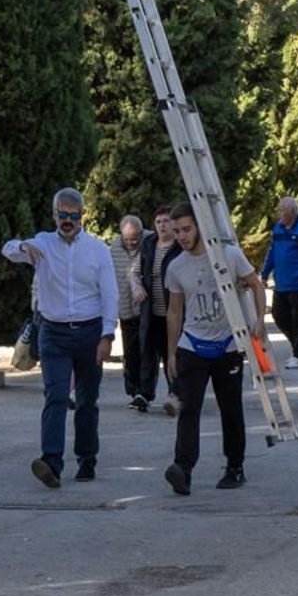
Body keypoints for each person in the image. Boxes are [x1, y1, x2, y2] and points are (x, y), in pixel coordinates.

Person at [2, 187, 118, 489]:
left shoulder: (98, 250)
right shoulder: (42, 243)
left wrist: (108, 335)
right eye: (62, 215)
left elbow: (110, 294)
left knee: (87, 400)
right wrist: (25, 246)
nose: (67, 220)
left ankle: (87, 458)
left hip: (90, 332)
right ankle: (51, 461)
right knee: (54, 396)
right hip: (53, 332)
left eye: (73, 215)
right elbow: (8, 250)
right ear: (54, 215)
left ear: (82, 216)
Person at [163, 202, 267, 496]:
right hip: (192, 346)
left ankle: (235, 467)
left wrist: (259, 321)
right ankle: (182, 469)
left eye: (186, 229)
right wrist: (171, 352)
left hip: (227, 346)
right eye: (177, 232)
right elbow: (174, 311)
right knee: (188, 408)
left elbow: (256, 285)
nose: (182, 236)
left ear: (199, 226)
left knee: (230, 408)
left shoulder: (229, 255)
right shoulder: (176, 266)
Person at [261, 197, 298, 369]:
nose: (278, 214)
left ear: (292, 212)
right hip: (281, 283)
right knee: (278, 316)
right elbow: (271, 253)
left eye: (281, 210)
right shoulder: (278, 229)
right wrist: (264, 274)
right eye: (278, 210)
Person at [133, 205, 180, 415]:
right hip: (151, 311)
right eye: (158, 221)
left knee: (173, 353)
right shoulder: (149, 244)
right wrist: (137, 285)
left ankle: (175, 394)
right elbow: (134, 271)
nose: (162, 225)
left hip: (174, 311)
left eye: (166, 221)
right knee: (148, 352)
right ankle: (144, 394)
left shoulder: (179, 246)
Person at [111, 215, 148, 410]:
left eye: (135, 238)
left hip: (146, 307)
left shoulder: (150, 241)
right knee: (130, 353)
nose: (132, 243)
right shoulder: (113, 247)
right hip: (125, 308)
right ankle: (133, 390)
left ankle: (143, 392)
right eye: (127, 239)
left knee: (146, 351)